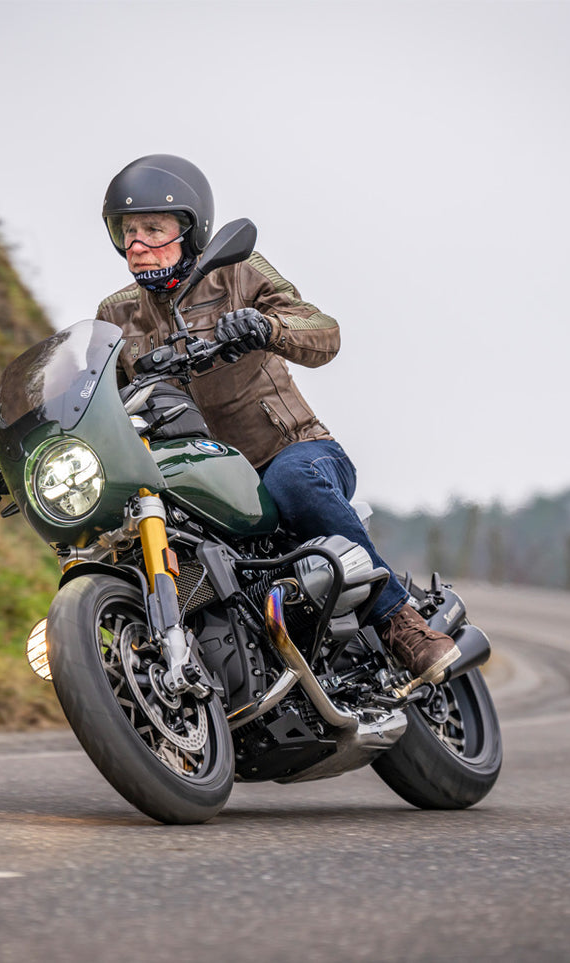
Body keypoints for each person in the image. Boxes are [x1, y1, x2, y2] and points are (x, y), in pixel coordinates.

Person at [94, 154, 461, 691]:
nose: (137, 244)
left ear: (191, 230)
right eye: (127, 231)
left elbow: (322, 329)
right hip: (200, 477)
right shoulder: (115, 313)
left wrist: (265, 327)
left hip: (290, 451)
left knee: (292, 481)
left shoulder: (238, 271)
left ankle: (399, 620)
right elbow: (98, 394)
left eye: (153, 228)